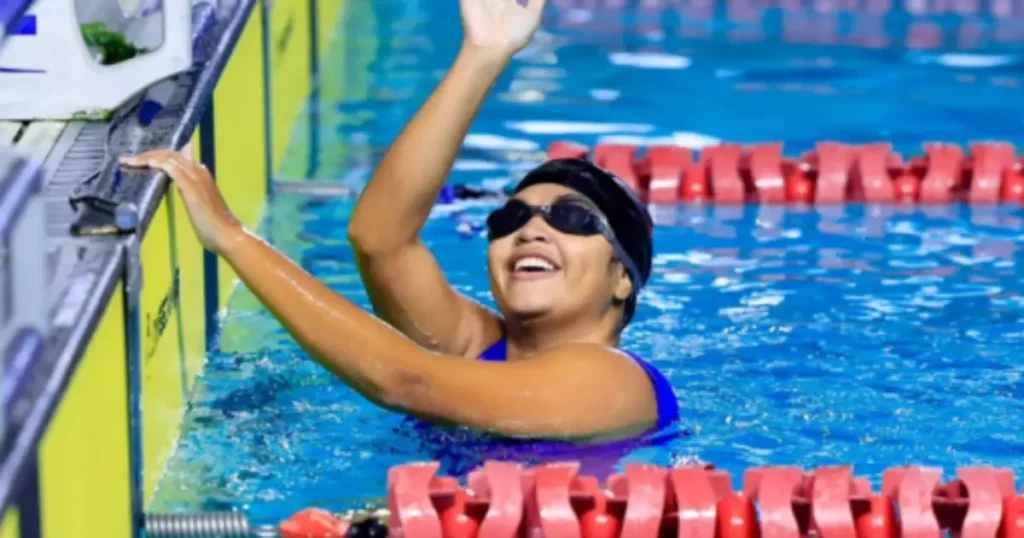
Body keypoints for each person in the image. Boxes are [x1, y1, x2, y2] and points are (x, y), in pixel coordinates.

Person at [120, 0, 679, 443]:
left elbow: (406, 380)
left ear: (622, 278)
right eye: (511, 217)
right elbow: (380, 239)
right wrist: (481, 56)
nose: (531, 230)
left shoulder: (613, 383)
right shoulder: (476, 348)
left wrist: (236, 240)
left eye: (572, 219)